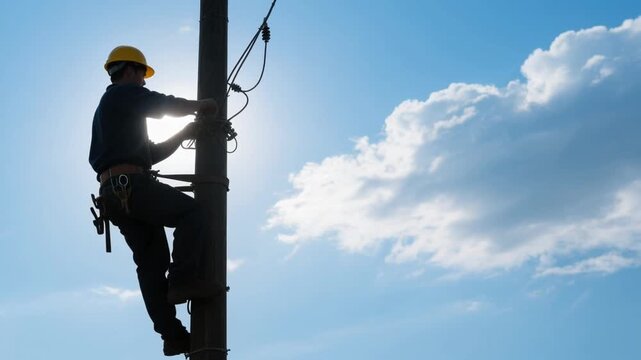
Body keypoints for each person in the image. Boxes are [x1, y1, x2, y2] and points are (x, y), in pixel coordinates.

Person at [89, 45, 220, 356]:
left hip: (117, 194)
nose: (144, 82)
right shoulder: (120, 95)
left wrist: (186, 130)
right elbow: (157, 103)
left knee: (151, 264)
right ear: (131, 70)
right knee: (192, 213)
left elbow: (152, 153)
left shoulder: (119, 112)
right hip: (132, 187)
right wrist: (199, 106)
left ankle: (172, 335)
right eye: (142, 75)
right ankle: (184, 280)